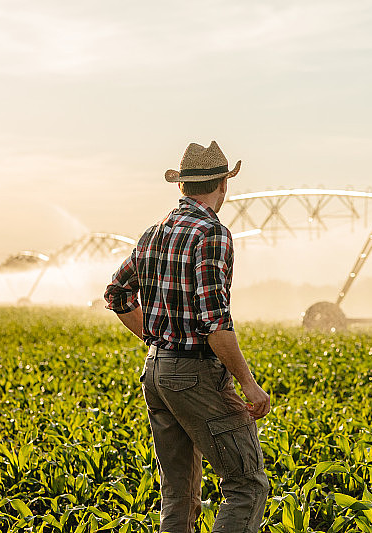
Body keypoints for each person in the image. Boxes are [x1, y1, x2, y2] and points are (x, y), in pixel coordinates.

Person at [104, 141, 271, 533]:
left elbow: (116, 295)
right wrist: (249, 385)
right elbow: (215, 322)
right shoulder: (212, 233)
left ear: (182, 186)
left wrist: (157, 336)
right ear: (223, 187)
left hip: (156, 373)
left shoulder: (152, 234)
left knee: (178, 493)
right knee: (246, 485)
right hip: (195, 374)